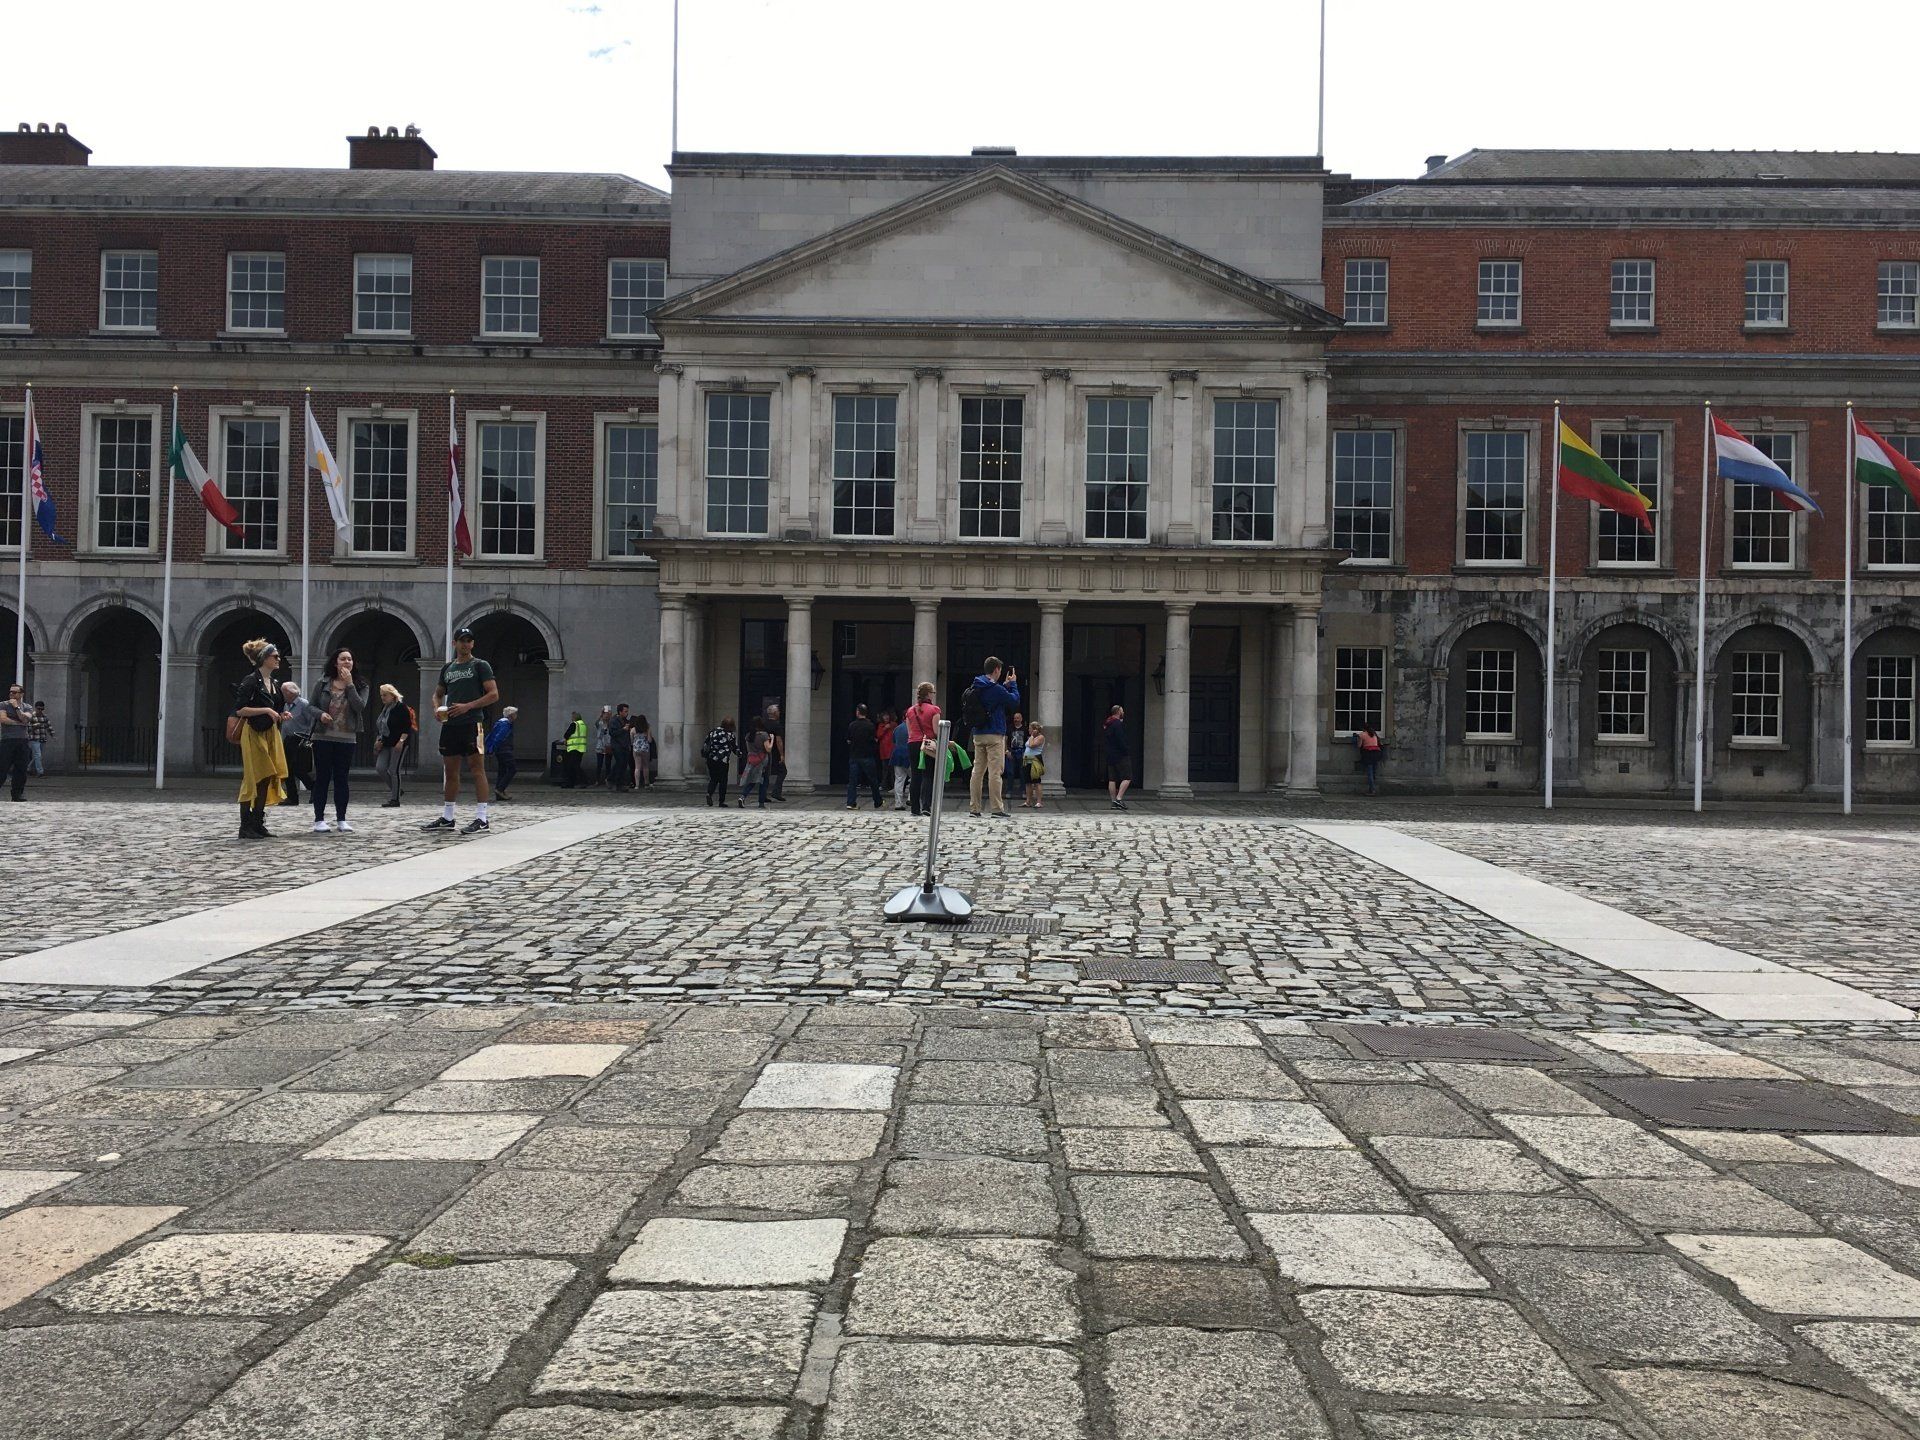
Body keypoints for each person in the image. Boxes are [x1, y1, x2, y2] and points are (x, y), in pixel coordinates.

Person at [423, 626, 498, 836]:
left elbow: (493, 694)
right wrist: (436, 708)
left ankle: (482, 818)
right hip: (451, 726)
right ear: (454, 643)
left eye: (469, 641)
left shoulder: (480, 665)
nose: (465, 644)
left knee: (477, 769)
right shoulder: (448, 669)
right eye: (461, 640)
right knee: (450, 771)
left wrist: (469, 706)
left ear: (472, 644)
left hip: (473, 724)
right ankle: (448, 817)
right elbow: (437, 694)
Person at [232, 639, 289, 838]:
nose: (278, 659)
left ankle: (258, 821)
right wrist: (266, 709)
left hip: (270, 732)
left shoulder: (274, 683)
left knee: (266, 777)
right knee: (253, 777)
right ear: (264, 658)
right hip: (254, 732)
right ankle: (245, 826)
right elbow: (240, 709)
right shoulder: (250, 681)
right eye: (275, 656)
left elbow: (278, 709)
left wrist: (281, 715)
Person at [310, 647, 368, 834]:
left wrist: (350, 685)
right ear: (335, 662)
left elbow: (359, 706)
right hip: (323, 736)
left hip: (346, 738)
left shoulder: (361, 685)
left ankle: (341, 819)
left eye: (350, 659)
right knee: (322, 778)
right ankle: (319, 819)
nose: (347, 662)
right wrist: (320, 714)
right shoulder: (323, 682)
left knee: (342, 778)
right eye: (343, 659)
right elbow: (310, 706)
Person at [965, 655, 1021, 820]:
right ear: (997, 669)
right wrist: (1014, 684)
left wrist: (1004, 685)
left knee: (977, 771)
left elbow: (993, 696)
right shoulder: (996, 690)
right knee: (995, 772)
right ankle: (996, 808)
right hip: (995, 733)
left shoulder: (976, 686)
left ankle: (974, 808)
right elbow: (1013, 701)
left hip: (978, 734)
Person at [279, 680, 321, 808]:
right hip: (288, 740)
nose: (282, 695)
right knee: (286, 770)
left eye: (283, 692)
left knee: (298, 768)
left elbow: (312, 721)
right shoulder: (286, 705)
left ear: (290, 693)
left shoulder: (303, 704)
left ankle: (314, 788)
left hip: (300, 739)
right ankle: (292, 797)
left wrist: (308, 738)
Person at [904, 682, 941, 818]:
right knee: (928, 774)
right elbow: (936, 731)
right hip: (928, 744)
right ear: (929, 694)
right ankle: (926, 805)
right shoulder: (934, 710)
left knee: (915, 775)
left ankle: (914, 807)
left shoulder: (910, 711)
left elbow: (910, 731)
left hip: (913, 743)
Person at [374, 684, 413, 808]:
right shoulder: (385, 709)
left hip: (398, 742)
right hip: (385, 742)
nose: (383, 698)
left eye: (385, 695)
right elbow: (381, 727)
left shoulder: (401, 708)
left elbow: (407, 727)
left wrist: (401, 741)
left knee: (393, 770)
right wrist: (378, 740)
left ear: (392, 695)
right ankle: (397, 789)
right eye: (381, 695)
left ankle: (394, 799)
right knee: (380, 768)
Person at [845, 703, 883, 810]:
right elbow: (874, 740)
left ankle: (851, 802)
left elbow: (848, 740)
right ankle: (877, 801)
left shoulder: (852, 725)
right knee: (873, 780)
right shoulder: (870, 725)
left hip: (854, 756)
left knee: (852, 781)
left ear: (858, 712)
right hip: (867, 756)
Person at [0, 683, 30, 802]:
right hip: (7, 741)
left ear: (21, 694)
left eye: (14, 692)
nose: (11, 694)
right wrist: (19, 723)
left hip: (22, 741)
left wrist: (17, 708)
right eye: (10, 692)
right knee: (2, 767)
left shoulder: (27, 706)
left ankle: (17, 794)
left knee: (21, 769)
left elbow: (25, 718)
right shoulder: (3, 704)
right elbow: (3, 719)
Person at [702, 716, 738, 806]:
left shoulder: (713, 732)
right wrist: (740, 754)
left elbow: (706, 744)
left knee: (713, 778)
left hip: (711, 759)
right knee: (723, 780)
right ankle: (721, 801)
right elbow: (734, 747)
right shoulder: (730, 735)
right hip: (723, 760)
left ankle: (709, 793)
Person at [1104, 704, 1133, 811]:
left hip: (1110, 754)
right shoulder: (1117, 724)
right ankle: (1119, 798)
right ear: (1118, 712)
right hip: (1120, 755)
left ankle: (1113, 801)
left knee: (1112, 779)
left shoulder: (1108, 723)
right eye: (1122, 711)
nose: (1123, 713)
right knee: (1127, 777)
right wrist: (1126, 750)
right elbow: (1121, 739)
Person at [738, 715, 771, 808]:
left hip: (751, 758)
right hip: (762, 759)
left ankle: (743, 796)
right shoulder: (764, 735)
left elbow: (748, 748)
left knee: (751, 780)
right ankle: (761, 802)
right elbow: (768, 749)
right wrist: (771, 741)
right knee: (763, 781)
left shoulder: (749, 735)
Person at [488, 706, 519, 801]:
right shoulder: (505, 724)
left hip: (500, 750)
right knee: (512, 769)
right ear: (511, 715)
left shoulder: (500, 723)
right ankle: (500, 789)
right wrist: (495, 747)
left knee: (502, 770)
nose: (516, 716)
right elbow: (500, 737)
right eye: (515, 714)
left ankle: (500, 791)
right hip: (504, 749)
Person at [889, 710, 912, 812]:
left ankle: (898, 803)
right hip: (909, 755)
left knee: (899, 780)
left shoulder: (897, 728)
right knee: (915, 777)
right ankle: (911, 798)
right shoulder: (912, 728)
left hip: (897, 755)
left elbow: (894, 741)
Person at [764, 702, 787, 801]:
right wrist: (782, 754)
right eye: (778, 711)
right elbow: (778, 740)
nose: (779, 713)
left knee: (765, 773)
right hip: (774, 752)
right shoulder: (776, 725)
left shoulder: (763, 723)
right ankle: (776, 792)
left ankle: (763, 794)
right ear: (774, 713)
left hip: (764, 751)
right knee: (783, 771)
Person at [608, 703, 634, 791]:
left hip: (625, 745)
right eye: (625, 711)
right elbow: (612, 733)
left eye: (627, 711)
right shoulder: (614, 720)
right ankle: (614, 780)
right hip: (617, 745)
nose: (627, 713)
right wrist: (623, 729)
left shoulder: (626, 721)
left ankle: (619, 782)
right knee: (620, 762)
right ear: (620, 712)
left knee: (623, 764)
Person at [1355, 723, 1385, 796]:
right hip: (1377, 753)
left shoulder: (1362, 734)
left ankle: (1372, 790)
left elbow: (1359, 746)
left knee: (1370, 772)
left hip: (1368, 754)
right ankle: (1372, 788)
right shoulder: (1373, 733)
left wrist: (1357, 739)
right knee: (1374, 772)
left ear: (1363, 729)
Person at [1022, 722, 1047, 809]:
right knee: (1027, 781)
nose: (1029, 730)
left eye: (1030, 729)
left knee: (1036, 781)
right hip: (1027, 758)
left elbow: (1032, 745)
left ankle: (1039, 802)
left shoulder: (1040, 737)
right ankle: (1028, 801)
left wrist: (1032, 736)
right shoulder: (1030, 737)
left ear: (1034, 730)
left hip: (1035, 759)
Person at [1005, 710, 1027, 808]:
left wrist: (1026, 753)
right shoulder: (1009, 728)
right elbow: (1005, 740)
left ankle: (1023, 791)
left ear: (1021, 719)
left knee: (1023, 772)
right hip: (1011, 752)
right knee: (1010, 772)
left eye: (1017, 718)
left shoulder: (1025, 729)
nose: (1016, 720)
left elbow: (1028, 741)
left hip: (1022, 752)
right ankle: (1009, 790)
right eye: (1014, 718)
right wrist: (1006, 751)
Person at [562, 711, 587, 788]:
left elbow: (566, 734)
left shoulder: (574, 724)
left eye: (572, 717)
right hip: (580, 748)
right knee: (574, 766)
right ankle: (572, 783)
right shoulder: (583, 725)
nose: (571, 718)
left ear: (574, 717)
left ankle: (583, 781)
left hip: (573, 748)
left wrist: (565, 740)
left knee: (572, 766)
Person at [26, 700, 51, 777]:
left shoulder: (45, 717)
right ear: (35, 708)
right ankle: (40, 772)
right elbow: (27, 728)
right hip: (34, 739)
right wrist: (34, 727)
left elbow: (49, 726)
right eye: (38, 709)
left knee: (37, 756)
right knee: (38, 755)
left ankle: (28, 768)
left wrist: (53, 735)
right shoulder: (31, 717)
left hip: (42, 738)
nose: (40, 710)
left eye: (42, 709)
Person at [592, 706, 613, 786]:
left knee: (608, 764)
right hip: (600, 746)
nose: (606, 715)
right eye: (605, 714)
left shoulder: (611, 723)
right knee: (599, 764)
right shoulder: (600, 723)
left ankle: (607, 779)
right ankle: (597, 780)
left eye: (607, 714)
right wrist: (601, 714)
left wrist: (610, 716)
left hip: (608, 745)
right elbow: (596, 723)